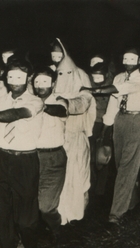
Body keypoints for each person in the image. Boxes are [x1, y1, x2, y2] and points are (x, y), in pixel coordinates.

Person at [84, 48, 140, 223]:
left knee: (127, 166)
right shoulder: (119, 77)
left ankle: (116, 213)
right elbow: (113, 105)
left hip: (137, 119)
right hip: (120, 120)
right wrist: (106, 130)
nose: (128, 61)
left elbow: (121, 89)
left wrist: (94, 90)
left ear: (139, 61)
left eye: (133, 58)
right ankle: (132, 198)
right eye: (125, 58)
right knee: (120, 163)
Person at [0, 59, 44, 248]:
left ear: (28, 79)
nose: (14, 82)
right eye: (10, 77)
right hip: (2, 159)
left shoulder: (36, 101)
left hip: (25, 161)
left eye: (19, 77)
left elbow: (18, 113)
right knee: (0, 213)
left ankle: (31, 244)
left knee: (26, 218)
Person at [52, 38, 96, 225]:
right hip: (57, 137)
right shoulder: (51, 76)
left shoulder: (81, 76)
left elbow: (85, 100)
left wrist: (66, 103)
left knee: (79, 174)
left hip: (76, 134)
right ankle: (60, 215)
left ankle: (78, 213)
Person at [32, 68, 68, 246]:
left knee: (45, 206)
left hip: (54, 157)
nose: (40, 86)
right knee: (30, 202)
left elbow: (61, 110)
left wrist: (40, 106)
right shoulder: (29, 100)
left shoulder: (59, 100)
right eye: (37, 82)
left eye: (45, 82)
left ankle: (57, 229)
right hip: (31, 156)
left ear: (53, 84)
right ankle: (32, 236)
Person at [89, 59, 114, 196]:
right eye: (94, 77)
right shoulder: (89, 84)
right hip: (92, 122)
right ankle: (92, 183)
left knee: (104, 154)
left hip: (105, 123)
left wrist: (105, 130)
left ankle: (101, 188)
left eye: (100, 77)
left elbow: (110, 111)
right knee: (91, 153)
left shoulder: (110, 87)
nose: (96, 80)